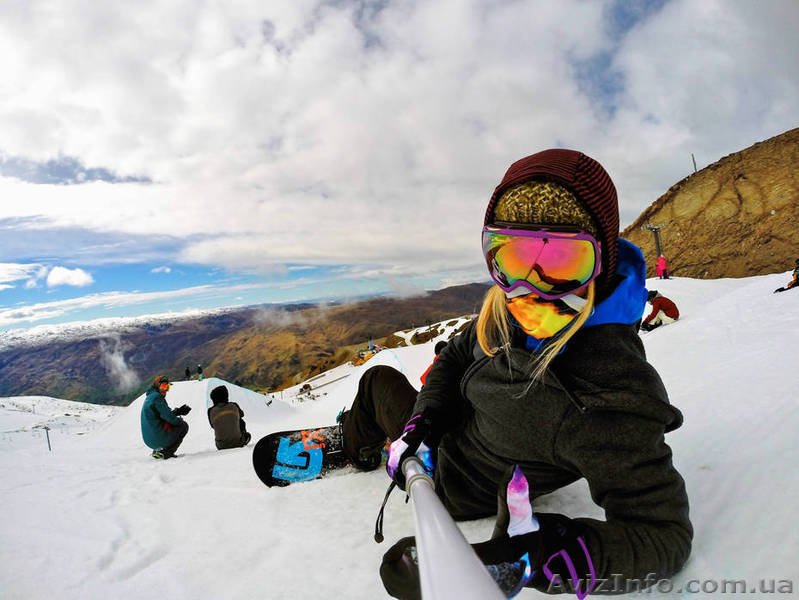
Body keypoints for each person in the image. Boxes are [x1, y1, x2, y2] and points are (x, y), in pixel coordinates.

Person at [353, 149, 691, 598]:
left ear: (602, 261)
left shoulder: (603, 394)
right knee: (378, 379)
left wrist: (554, 553)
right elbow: (457, 354)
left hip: (454, 484)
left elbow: (664, 535)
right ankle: (360, 438)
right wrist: (425, 420)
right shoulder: (512, 310)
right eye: (511, 257)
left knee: (375, 382)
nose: (529, 288)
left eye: (562, 260)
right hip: (440, 443)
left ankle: (356, 439)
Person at [337, 341, 449, 471]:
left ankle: (356, 448)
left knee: (376, 377)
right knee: (381, 383)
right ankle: (360, 432)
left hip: (441, 431)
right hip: (444, 417)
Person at [140, 375, 191, 459]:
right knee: (184, 426)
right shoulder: (157, 398)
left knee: (169, 425)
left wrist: (177, 412)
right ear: (157, 386)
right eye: (163, 386)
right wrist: (180, 420)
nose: (165, 390)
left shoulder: (150, 396)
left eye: (167, 387)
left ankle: (157, 450)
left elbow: (161, 415)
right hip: (157, 439)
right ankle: (167, 452)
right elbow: (170, 418)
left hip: (149, 440)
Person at [208, 385, 252, 449]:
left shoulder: (210, 411)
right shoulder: (234, 405)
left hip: (220, 446)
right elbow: (242, 414)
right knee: (241, 421)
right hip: (238, 443)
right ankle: (239, 438)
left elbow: (212, 426)